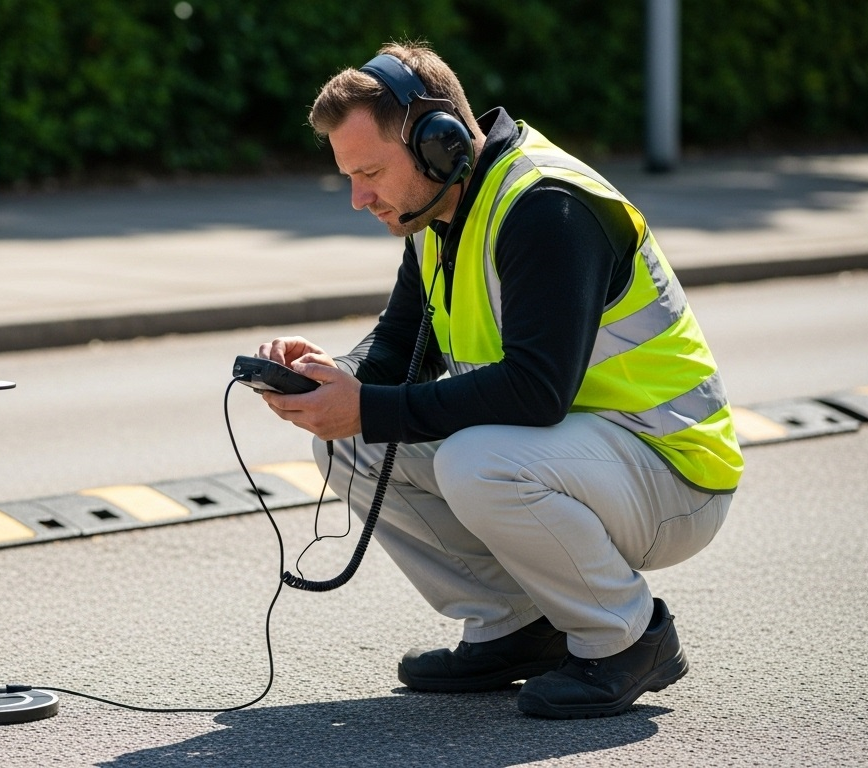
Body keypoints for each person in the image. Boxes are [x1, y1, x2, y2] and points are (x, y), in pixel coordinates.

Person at [254, 41, 743, 719]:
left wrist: (368, 406)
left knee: (475, 461)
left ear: (439, 145)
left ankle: (627, 638)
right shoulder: (434, 215)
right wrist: (335, 379)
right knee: (351, 443)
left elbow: (535, 393)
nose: (359, 199)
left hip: (673, 473)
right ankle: (516, 627)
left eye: (370, 172)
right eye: (349, 177)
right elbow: (400, 346)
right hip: (586, 459)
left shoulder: (547, 207)